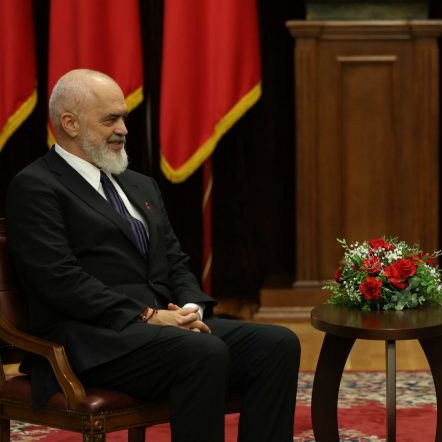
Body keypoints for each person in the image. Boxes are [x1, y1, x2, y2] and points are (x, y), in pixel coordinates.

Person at [4, 69, 300, 442]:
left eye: (123, 118)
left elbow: (173, 261)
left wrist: (191, 309)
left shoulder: (139, 184)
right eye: (110, 119)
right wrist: (148, 315)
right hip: (92, 342)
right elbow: (59, 281)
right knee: (202, 351)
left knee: (277, 345)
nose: (124, 129)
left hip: (162, 329)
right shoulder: (36, 186)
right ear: (70, 124)